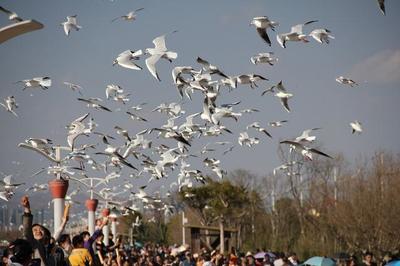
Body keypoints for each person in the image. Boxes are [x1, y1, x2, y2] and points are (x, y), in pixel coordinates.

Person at [21, 196, 68, 266]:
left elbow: (58, 233)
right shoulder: (32, 245)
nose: (38, 231)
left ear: (46, 234)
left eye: (41, 230)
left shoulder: (50, 246)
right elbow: (27, 229)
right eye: (35, 230)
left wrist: (64, 222)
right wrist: (27, 208)